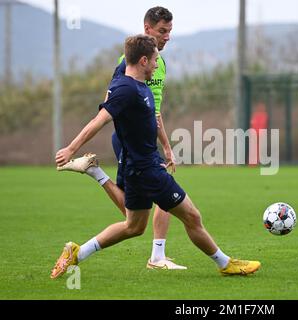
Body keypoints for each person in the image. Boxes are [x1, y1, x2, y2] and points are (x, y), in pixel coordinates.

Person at [51, 34, 261, 279]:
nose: (156, 65)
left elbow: (153, 119)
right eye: (154, 60)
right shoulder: (126, 90)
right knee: (192, 216)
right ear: (142, 61)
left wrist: (166, 145)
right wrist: (71, 148)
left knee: (134, 226)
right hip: (147, 169)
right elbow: (99, 120)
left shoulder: (140, 86)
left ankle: (77, 253)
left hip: (138, 168)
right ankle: (226, 264)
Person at [58, 7, 185, 270]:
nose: (167, 37)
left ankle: (155, 255)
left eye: (170, 32)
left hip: (147, 139)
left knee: (135, 220)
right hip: (132, 141)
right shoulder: (130, 62)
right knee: (142, 211)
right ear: (147, 29)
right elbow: (111, 103)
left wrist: (166, 145)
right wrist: (73, 146)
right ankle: (158, 256)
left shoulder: (159, 63)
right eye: (163, 31)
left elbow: (155, 111)